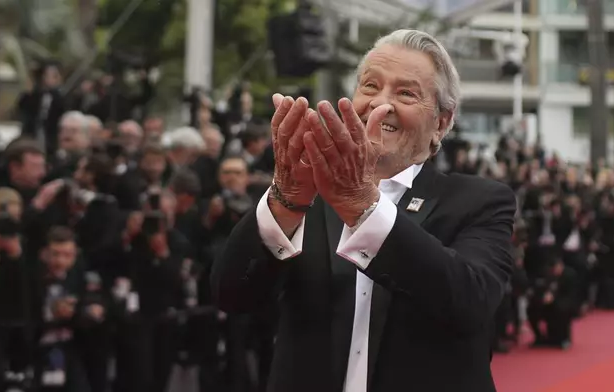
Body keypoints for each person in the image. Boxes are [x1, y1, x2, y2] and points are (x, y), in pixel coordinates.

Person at [212, 29, 516, 392]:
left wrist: (362, 206)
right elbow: (232, 295)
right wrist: (284, 200)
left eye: (406, 93)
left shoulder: (479, 200)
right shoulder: (306, 195)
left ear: (441, 123)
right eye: (370, 86)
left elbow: (470, 302)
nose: (380, 105)